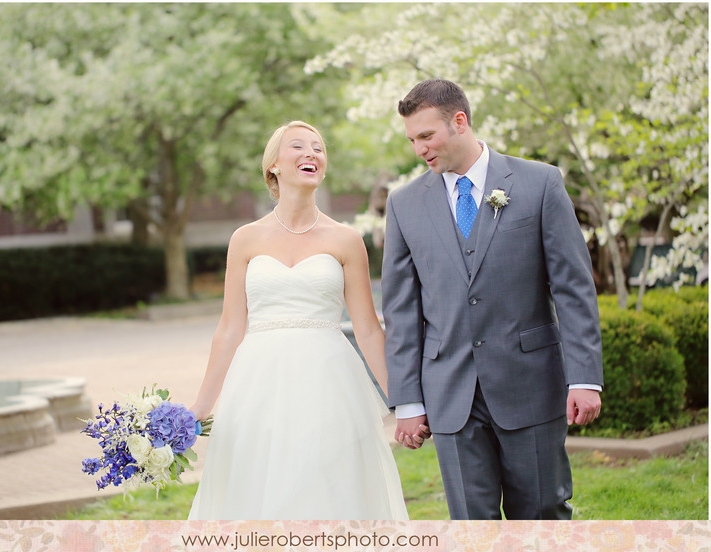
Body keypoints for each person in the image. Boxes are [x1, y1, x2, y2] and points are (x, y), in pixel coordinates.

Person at [381, 79, 603, 520]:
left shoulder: (539, 183)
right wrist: (407, 402)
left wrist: (585, 378)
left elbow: (573, 289)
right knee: (470, 525)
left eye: (426, 135)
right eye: (411, 140)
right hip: (449, 394)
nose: (419, 149)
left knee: (542, 513)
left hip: (531, 383)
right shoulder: (404, 204)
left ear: (460, 121)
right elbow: (401, 312)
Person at [187, 120, 408, 520]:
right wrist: (199, 409)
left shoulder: (346, 239)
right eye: (297, 146)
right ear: (273, 165)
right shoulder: (245, 239)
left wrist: (403, 402)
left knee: (329, 488)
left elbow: (368, 329)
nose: (311, 153)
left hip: (330, 383)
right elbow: (230, 328)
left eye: (319, 148)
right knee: (257, 490)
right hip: (257, 384)